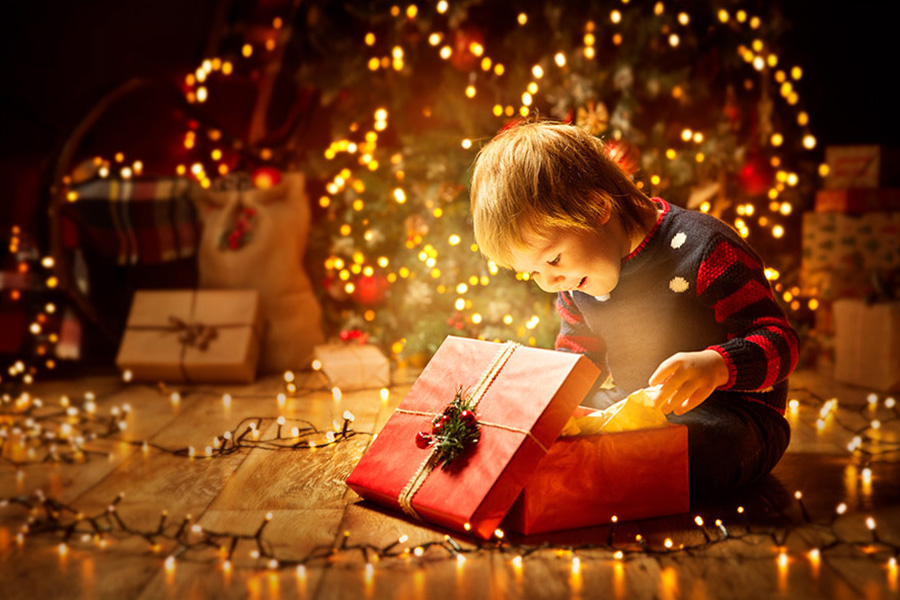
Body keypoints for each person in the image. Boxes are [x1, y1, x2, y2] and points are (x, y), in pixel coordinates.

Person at [469, 121, 799, 500]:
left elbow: (782, 341)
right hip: (637, 407)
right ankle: (607, 468)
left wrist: (719, 365)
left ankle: (614, 470)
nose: (549, 282)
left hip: (735, 417)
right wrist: (556, 410)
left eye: (554, 259)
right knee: (572, 428)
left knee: (700, 447)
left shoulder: (703, 249)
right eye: (533, 274)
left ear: (597, 208)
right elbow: (578, 361)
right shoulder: (576, 286)